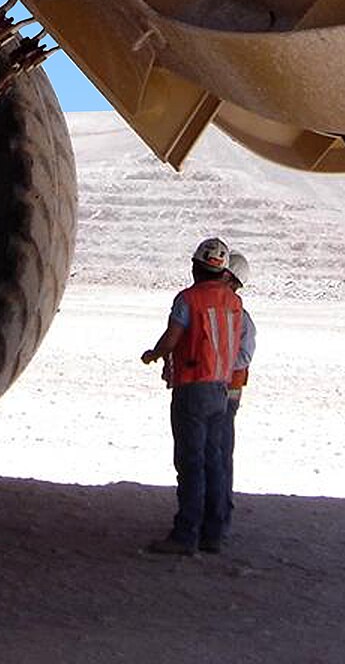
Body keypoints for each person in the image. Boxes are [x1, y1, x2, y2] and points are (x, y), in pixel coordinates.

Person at [139, 236, 245, 556]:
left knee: (190, 462)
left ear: (195, 267)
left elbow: (172, 338)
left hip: (193, 388)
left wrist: (154, 354)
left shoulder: (188, 299)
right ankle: (213, 534)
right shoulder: (234, 303)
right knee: (214, 462)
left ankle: (185, 534)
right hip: (221, 390)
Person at [220, 250, 256, 543]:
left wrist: (212, 364)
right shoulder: (221, 311)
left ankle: (219, 518)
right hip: (215, 391)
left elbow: (242, 356)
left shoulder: (240, 318)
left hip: (224, 395)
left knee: (218, 455)